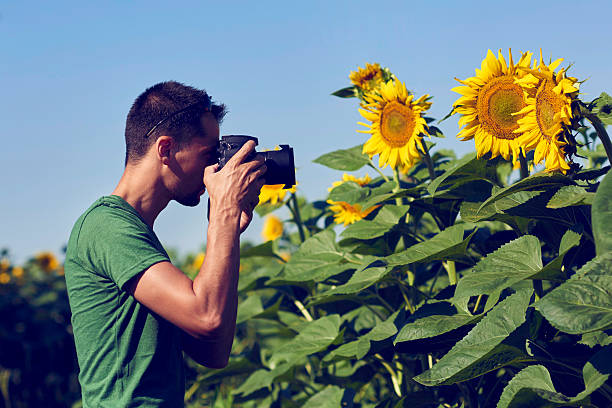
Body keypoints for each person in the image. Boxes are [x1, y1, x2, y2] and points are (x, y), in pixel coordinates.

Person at [64, 81, 266, 407]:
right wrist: (223, 216)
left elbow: (214, 351)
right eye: (209, 154)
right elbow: (207, 316)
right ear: (166, 149)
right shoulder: (107, 226)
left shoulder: (137, 234)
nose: (216, 168)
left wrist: (230, 229)